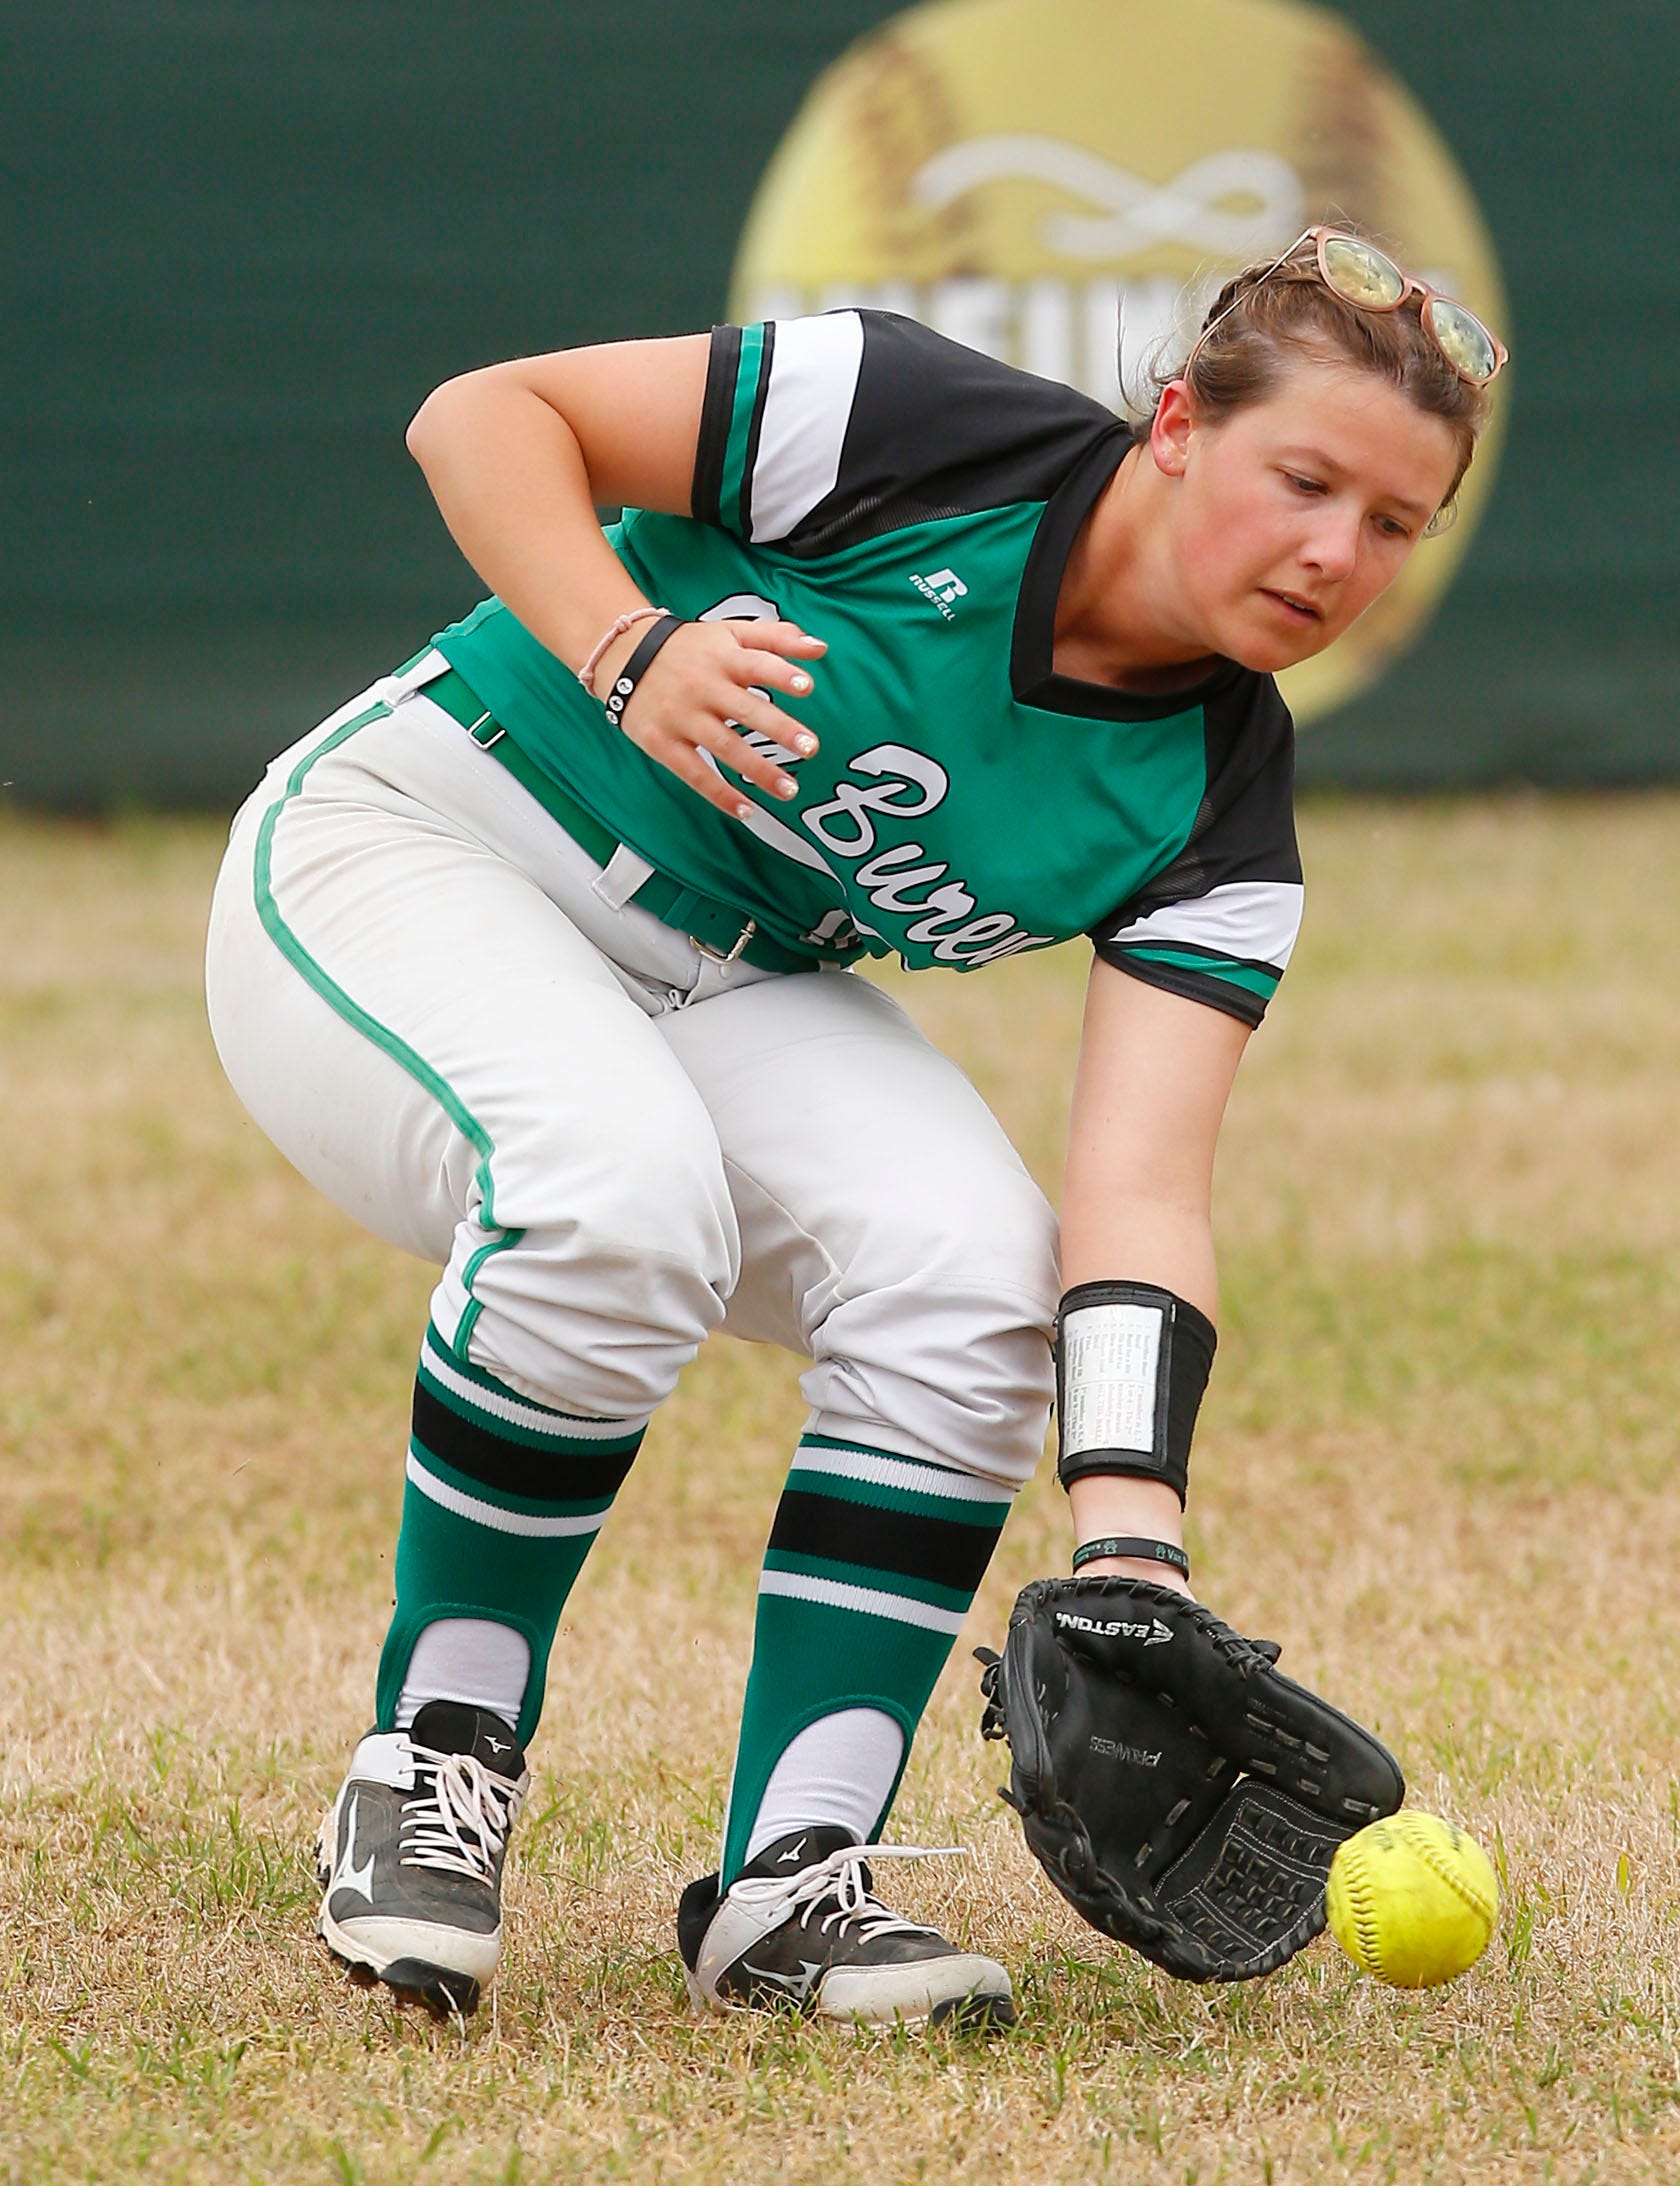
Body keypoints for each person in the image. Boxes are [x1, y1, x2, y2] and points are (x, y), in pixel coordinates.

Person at [204, 229, 1504, 2028]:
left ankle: (794, 1879)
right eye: (1308, 480)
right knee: (618, 1189)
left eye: (1392, 525)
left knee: (979, 1279)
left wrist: (1131, 1536)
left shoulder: (1223, 790)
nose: (1333, 555)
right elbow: (480, 416)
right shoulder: (919, 429)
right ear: (1179, 419)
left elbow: (1136, 1187)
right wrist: (629, 645)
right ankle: (433, 1759)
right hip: (433, 832)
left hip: (737, 972)